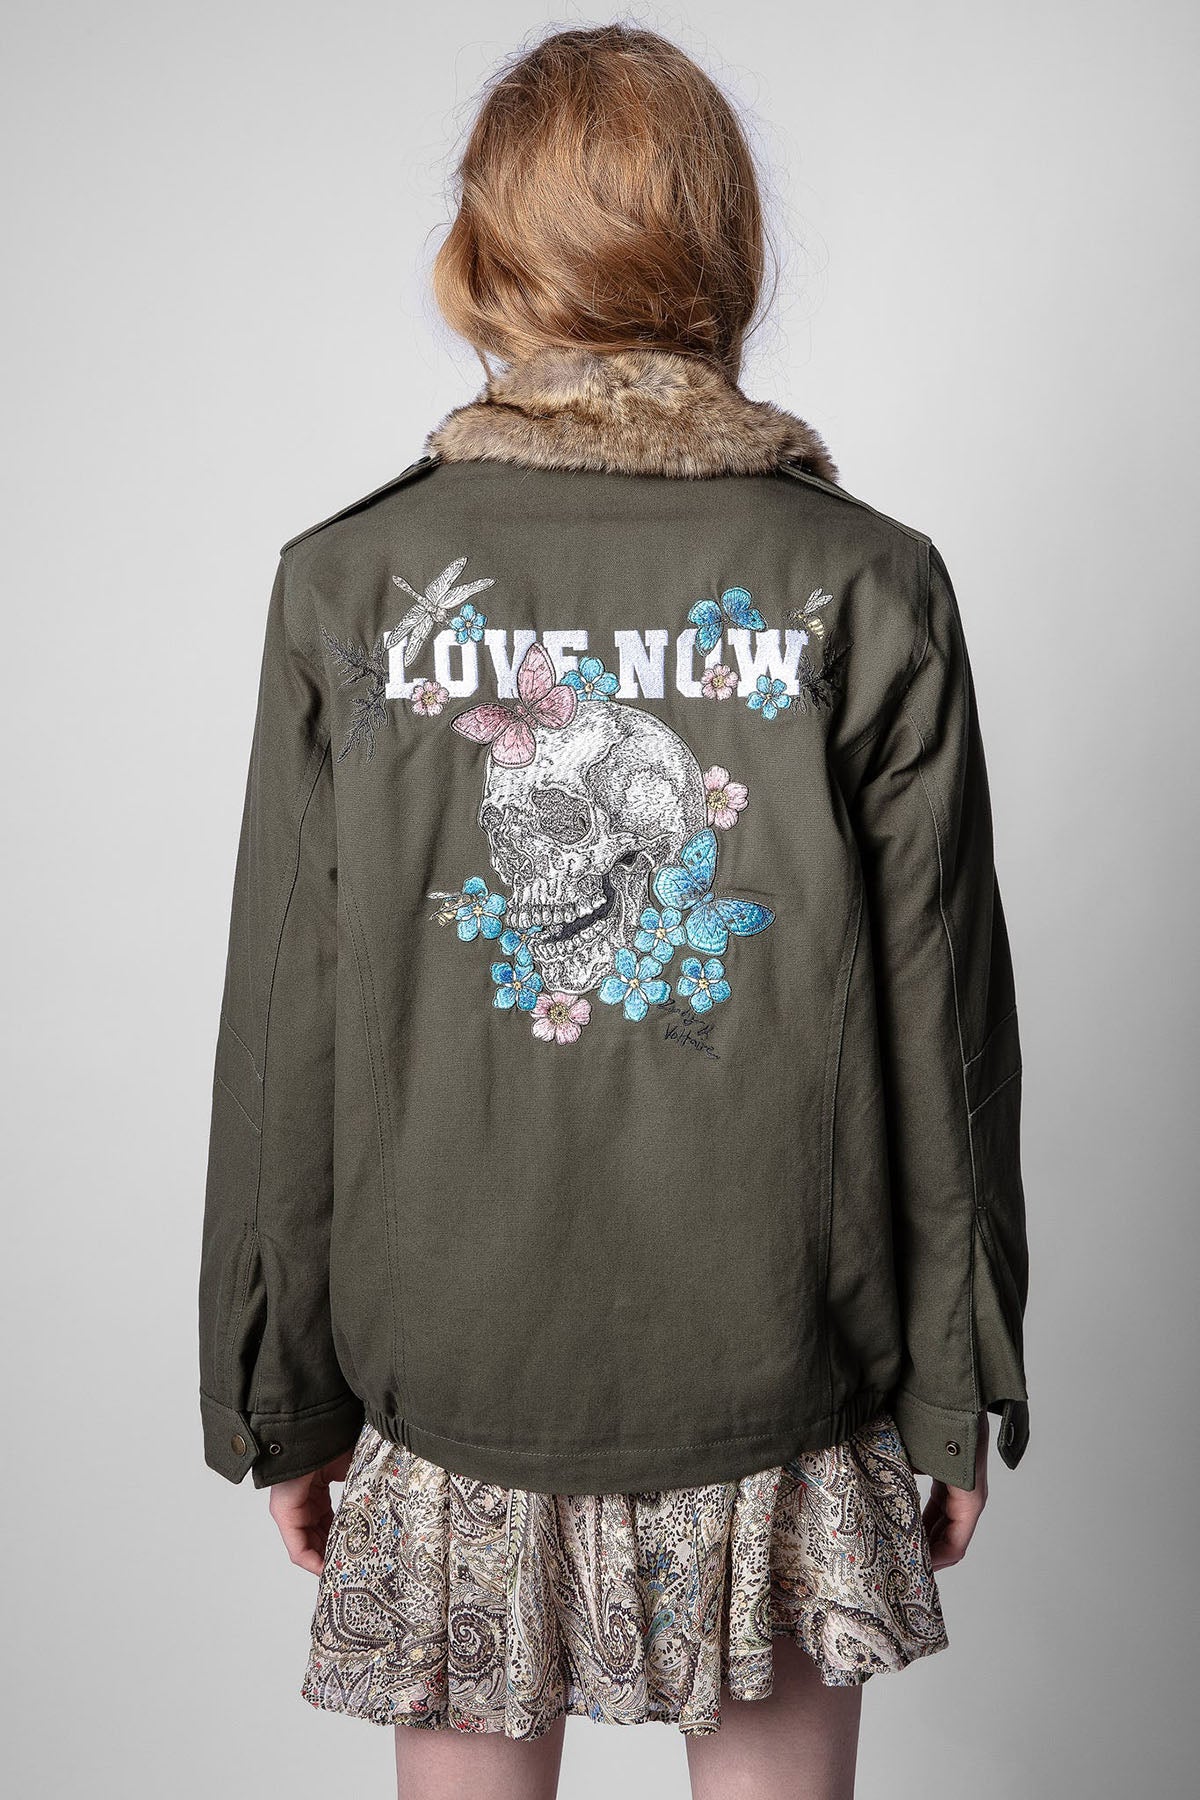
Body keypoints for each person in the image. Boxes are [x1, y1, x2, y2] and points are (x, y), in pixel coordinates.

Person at [197, 24, 1030, 1800]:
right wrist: (956, 1384)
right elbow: (942, 1031)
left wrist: (278, 1391)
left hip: (456, 1360)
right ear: (725, 250)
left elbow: (288, 1024)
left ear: (489, 254)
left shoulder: (350, 586)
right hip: (783, 1358)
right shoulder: (869, 582)